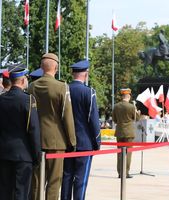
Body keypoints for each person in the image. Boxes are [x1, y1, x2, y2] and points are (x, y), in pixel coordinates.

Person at [29, 53, 76, 200]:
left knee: (36, 182)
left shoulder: (31, 87)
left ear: (42, 67)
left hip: (35, 141)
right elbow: (67, 116)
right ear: (56, 67)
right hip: (56, 141)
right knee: (54, 183)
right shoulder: (61, 87)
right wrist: (72, 141)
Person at [61, 60, 101, 200]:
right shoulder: (88, 92)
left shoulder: (64, 90)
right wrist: (97, 142)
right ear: (86, 74)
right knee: (80, 181)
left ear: (73, 73)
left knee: (66, 177)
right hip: (84, 144)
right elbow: (93, 120)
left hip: (66, 142)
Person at [0, 64, 41, 200]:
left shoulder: (1, 100)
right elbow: (33, 130)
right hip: (23, 156)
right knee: (21, 194)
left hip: (3, 154)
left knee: (4, 193)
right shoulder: (28, 100)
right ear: (23, 80)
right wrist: (37, 156)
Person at [112, 88, 140, 178]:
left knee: (119, 153)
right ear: (128, 96)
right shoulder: (131, 106)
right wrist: (137, 112)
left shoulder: (116, 106)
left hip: (119, 132)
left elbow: (114, 119)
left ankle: (120, 172)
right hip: (129, 133)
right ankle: (126, 172)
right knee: (128, 153)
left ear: (122, 96)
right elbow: (137, 118)